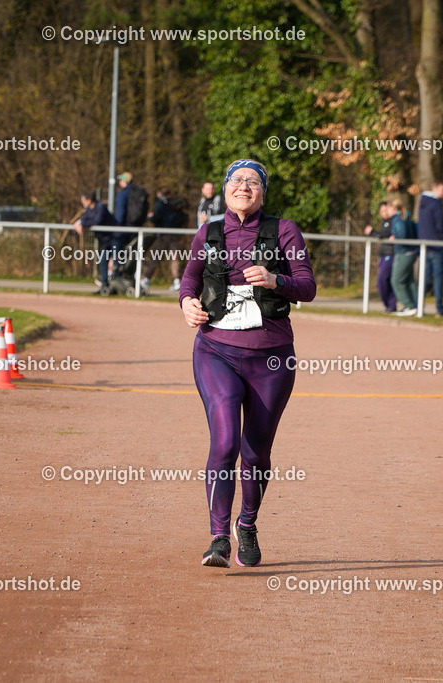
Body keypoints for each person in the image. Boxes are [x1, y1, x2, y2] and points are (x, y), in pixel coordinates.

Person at [179, 159, 316, 568]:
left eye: (253, 182)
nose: (244, 187)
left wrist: (277, 280)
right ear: (225, 189)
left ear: (263, 191)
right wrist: (187, 301)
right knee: (224, 442)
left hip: (270, 357)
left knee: (255, 452)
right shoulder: (210, 231)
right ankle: (219, 537)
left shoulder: (283, 230)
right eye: (236, 180)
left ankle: (248, 524)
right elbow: (191, 276)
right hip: (216, 350)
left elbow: (307, 286)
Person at [141, 187, 188, 293]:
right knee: (174, 258)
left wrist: (151, 217)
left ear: (159, 193)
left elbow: (156, 218)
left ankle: (146, 279)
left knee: (155, 257)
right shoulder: (175, 203)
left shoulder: (160, 204)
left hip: (163, 235)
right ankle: (177, 281)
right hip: (176, 234)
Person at [417, 181, 443, 317]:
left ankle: (419, 307)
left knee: (424, 279)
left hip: (425, 246)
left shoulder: (422, 203)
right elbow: (439, 225)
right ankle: (439, 309)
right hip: (437, 247)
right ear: (435, 189)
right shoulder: (435, 204)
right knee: (438, 279)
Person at [73, 191, 117, 294]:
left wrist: (84, 224)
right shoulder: (89, 209)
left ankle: (116, 285)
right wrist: (80, 223)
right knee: (103, 262)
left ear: (89, 200)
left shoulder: (100, 207)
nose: (82, 202)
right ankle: (105, 286)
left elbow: (97, 221)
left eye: (83, 200)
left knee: (118, 262)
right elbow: (85, 219)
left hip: (114, 238)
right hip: (105, 240)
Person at [364, 201, 397, 312]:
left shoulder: (393, 221)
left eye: (386, 210)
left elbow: (384, 235)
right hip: (383, 255)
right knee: (384, 281)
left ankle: (391, 305)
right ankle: (390, 306)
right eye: (382, 211)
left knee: (383, 279)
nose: (385, 213)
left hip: (390, 254)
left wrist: (372, 232)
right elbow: (383, 235)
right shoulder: (384, 222)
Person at [388, 200, 418, 316]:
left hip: (403, 253)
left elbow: (402, 234)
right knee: (409, 281)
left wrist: (395, 238)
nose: (387, 211)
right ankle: (416, 306)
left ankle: (409, 305)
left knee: (396, 281)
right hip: (411, 252)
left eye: (389, 208)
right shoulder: (406, 217)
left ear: (395, 209)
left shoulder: (397, 219)